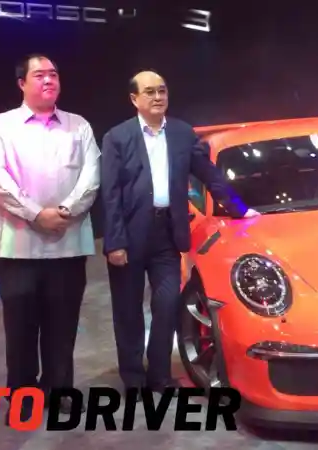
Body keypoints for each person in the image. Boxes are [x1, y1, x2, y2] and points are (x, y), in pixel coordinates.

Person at [100, 70, 258, 399]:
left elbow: (209, 175)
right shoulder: (117, 137)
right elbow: (110, 193)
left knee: (168, 304)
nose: (158, 97)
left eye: (162, 90)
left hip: (167, 234)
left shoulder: (182, 133)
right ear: (134, 99)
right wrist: (114, 242)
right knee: (128, 311)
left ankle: (159, 375)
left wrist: (241, 209)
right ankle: (133, 378)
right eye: (149, 92)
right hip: (129, 235)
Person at [0, 54, 100, 421]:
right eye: (39, 75)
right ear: (22, 83)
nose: (48, 80)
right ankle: (22, 395)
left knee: (63, 326)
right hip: (18, 248)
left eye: (54, 74)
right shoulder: (0, 127)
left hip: (68, 245)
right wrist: (35, 214)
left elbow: (91, 177)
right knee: (20, 328)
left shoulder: (79, 126)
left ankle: (59, 389)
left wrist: (63, 212)